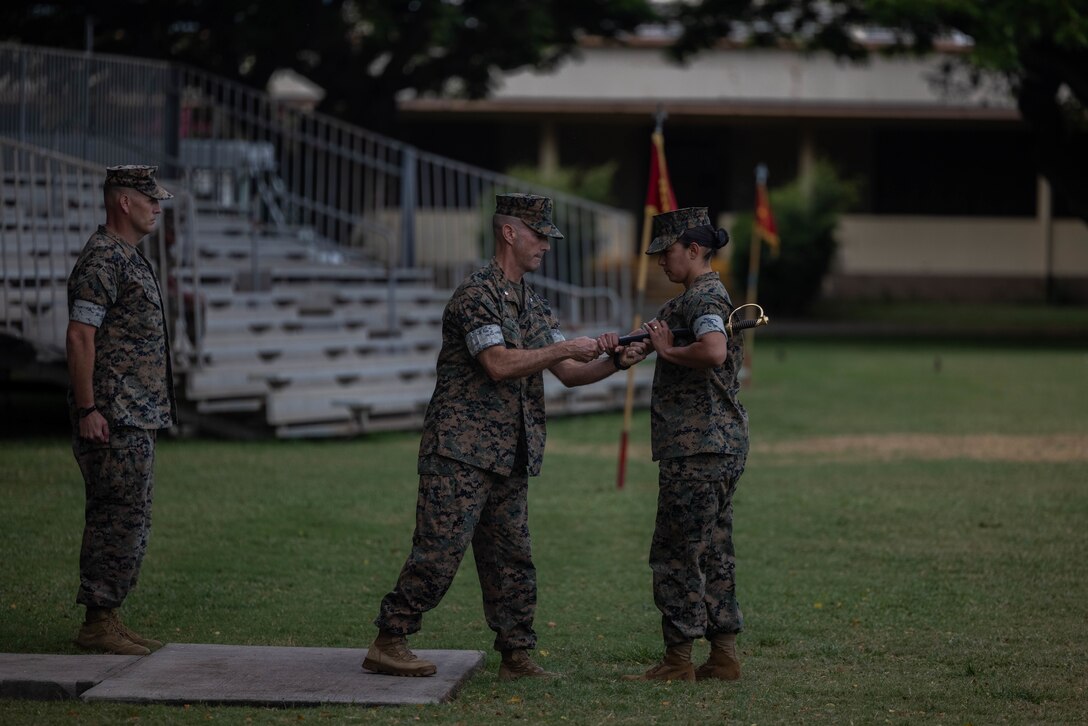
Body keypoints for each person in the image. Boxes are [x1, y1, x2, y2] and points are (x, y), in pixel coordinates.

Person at [364, 193, 647, 680]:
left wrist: (614, 360)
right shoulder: (477, 296)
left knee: (512, 559)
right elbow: (497, 364)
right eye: (539, 236)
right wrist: (566, 347)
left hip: (509, 453)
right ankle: (390, 639)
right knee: (439, 550)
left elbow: (570, 376)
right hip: (461, 451)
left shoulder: (528, 302)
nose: (546, 247)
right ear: (509, 233)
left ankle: (516, 655)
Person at [623, 207, 748, 682]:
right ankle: (723, 655)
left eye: (666, 252)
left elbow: (712, 350)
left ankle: (677, 661)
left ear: (694, 250)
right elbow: (663, 338)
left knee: (676, 552)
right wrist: (637, 348)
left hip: (697, 448)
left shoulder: (703, 298)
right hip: (721, 444)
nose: (660, 262)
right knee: (714, 550)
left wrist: (668, 353)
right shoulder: (698, 297)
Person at [66, 165, 177, 656]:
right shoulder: (103, 259)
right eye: (149, 199)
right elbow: (79, 336)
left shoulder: (126, 256)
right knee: (115, 517)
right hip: (113, 415)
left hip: (135, 414)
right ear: (123, 202)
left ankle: (108, 616)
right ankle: (97, 621)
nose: (157, 207)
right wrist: (88, 407)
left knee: (130, 519)